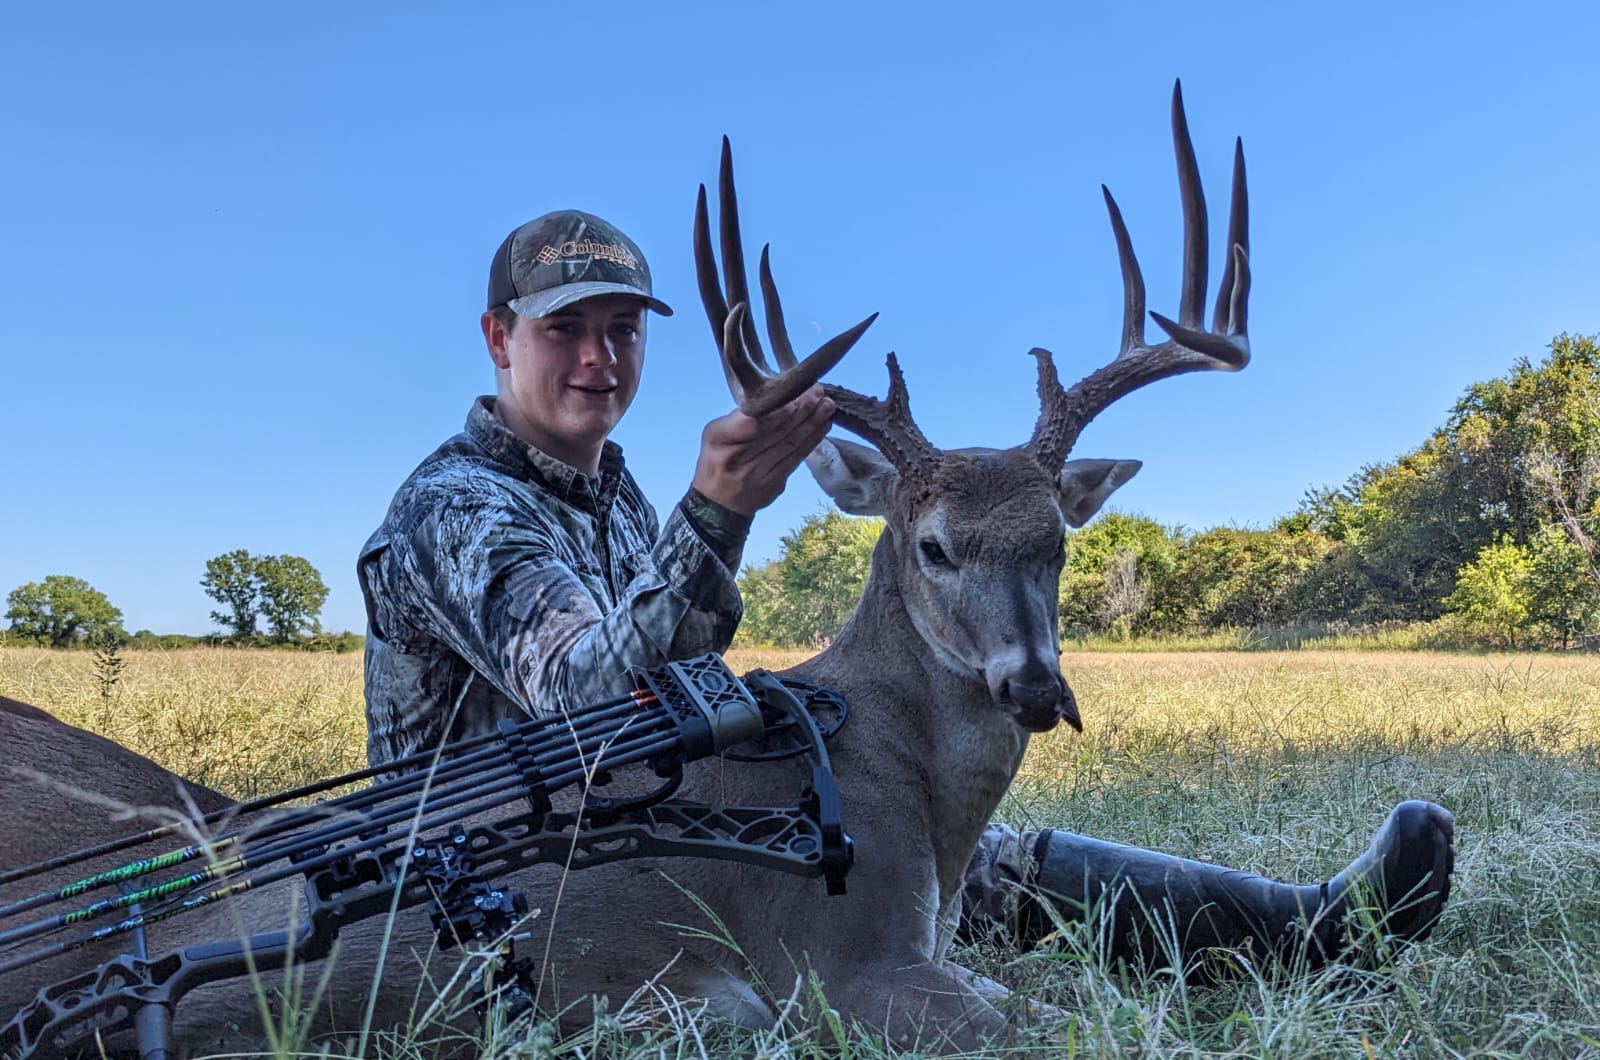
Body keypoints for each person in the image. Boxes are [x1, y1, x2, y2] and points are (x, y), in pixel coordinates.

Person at [359, 210, 1454, 979]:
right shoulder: (457, 508)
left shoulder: (606, 496)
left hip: (632, 829)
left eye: (623, 329)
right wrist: (716, 509)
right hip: (497, 882)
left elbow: (667, 686)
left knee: (953, 857)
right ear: (500, 337)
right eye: (564, 328)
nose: (599, 356)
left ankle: (1310, 929)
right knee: (879, 893)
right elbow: (587, 710)